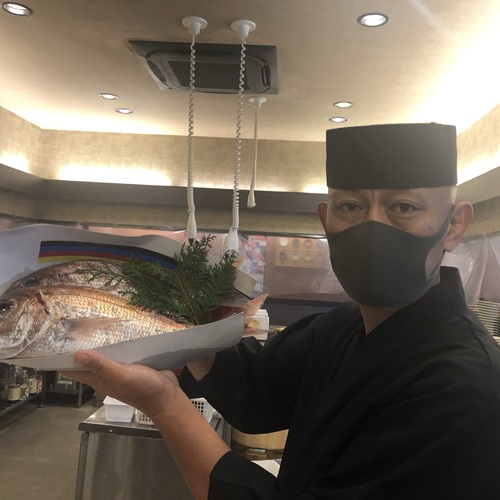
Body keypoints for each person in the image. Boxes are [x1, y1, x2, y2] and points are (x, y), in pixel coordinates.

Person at [68, 123, 500, 499]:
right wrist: (176, 317)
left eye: (403, 207)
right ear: (326, 219)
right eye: (351, 207)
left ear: (454, 225)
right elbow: (254, 390)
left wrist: (164, 403)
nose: (373, 228)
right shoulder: (344, 326)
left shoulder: (464, 387)